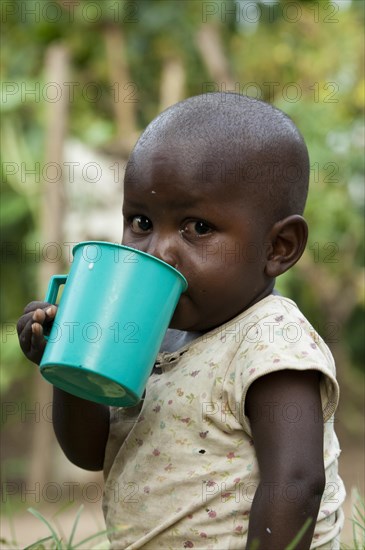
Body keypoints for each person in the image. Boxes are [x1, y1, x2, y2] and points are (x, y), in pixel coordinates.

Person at [17, 93, 345, 549]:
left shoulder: (269, 341)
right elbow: (90, 453)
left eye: (199, 228)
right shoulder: (148, 338)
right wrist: (69, 369)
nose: (158, 250)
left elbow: (296, 481)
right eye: (141, 221)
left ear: (279, 247)